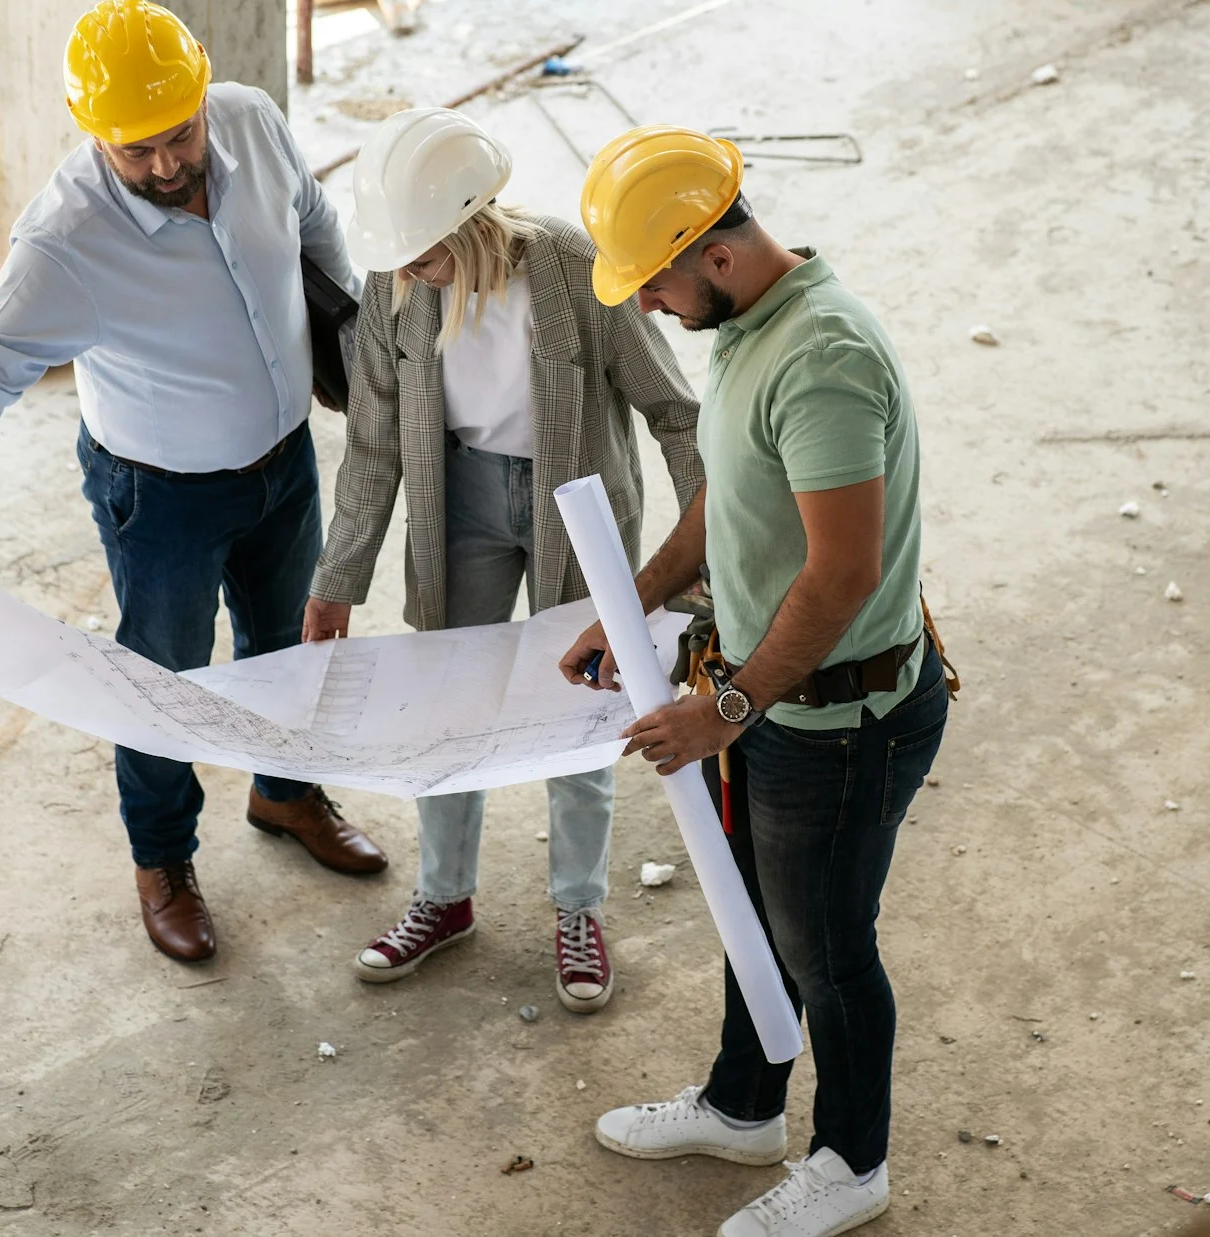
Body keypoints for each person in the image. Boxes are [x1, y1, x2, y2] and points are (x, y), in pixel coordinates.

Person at [0, 0, 388, 965]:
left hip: (284, 462)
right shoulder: (67, 240)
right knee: (161, 681)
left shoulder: (252, 121)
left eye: (178, 135)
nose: (164, 165)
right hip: (162, 497)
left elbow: (312, 223)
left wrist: (349, 337)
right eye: (134, 150)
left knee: (289, 642)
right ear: (92, 132)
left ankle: (284, 791)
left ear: (203, 96)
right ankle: (162, 859)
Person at [561, 126, 951, 1237]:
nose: (647, 305)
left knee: (826, 949)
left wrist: (722, 710)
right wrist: (637, 597)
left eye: (655, 282)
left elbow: (842, 573)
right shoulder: (746, 327)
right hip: (775, 702)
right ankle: (743, 1106)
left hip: (840, 721)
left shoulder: (821, 359)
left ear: (717, 256)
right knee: (757, 914)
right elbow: (727, 494)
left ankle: (853, 1162)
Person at [303, 107, 704, 1013]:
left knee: (583, 703)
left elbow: (675, 413)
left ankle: (579, 908)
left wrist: (700, 560)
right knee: (449, 703)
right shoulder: (395, 287)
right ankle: (444, 896)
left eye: (423, 252)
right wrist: (338, 579)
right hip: (461, 500)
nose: (408, 269)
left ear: (472, 219)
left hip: (580, 504)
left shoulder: (570, 266)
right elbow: (374, 444)